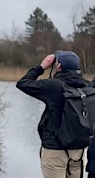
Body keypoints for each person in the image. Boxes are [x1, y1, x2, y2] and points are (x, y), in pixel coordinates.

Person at [16, 50, 89, 178]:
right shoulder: (87, 87)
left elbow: (23, 83)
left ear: (58, 66)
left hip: (54, 150)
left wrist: (41, 67)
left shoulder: (54, 86)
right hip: (79, 150)